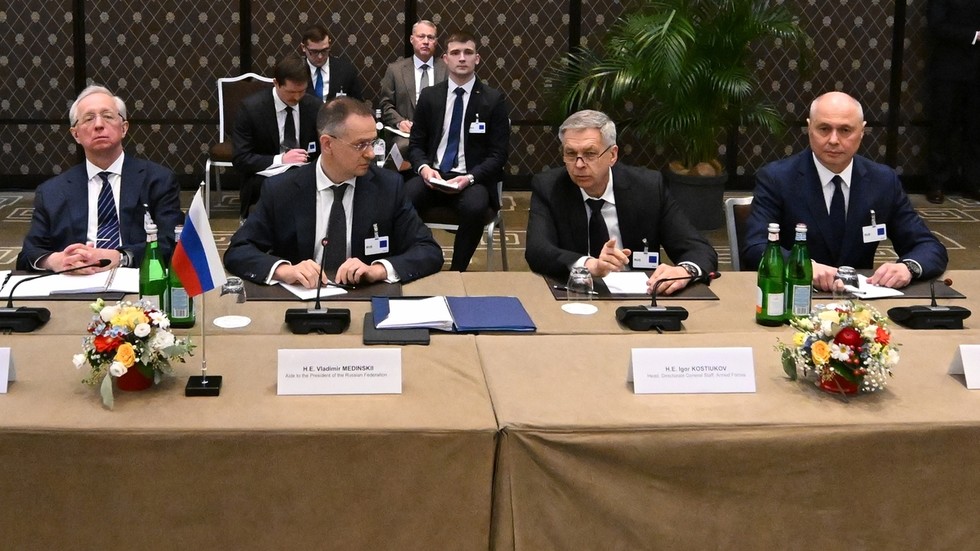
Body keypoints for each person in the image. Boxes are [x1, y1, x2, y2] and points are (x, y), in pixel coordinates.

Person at [224, 97, 443, 287]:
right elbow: (238, 251)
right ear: (327, 144)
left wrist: (377, 270)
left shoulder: (388, 186)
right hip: (301, 298)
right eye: (360, 145)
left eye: (373, 142)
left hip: (367, 297)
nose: (370, 153)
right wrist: (285, 270)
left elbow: (428, 251)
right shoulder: (281, 189)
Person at [743, 91, 948, 290]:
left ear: (862, 131)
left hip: (859, 301)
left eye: (845, 130)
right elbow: (755, 246)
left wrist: (908, 268)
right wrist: (802, 266)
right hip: (796, 294)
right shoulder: (777, 178)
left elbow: (929, 247)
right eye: (824, 129)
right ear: (809, 128)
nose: (833, 140)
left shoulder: (883, 181)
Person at [525, 110, 718, 295]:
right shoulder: (549, 187)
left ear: (613, 155)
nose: (579, 164)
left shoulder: (648, 188)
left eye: (590, 154)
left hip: (641, 295)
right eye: (571, 154)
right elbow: (537, 251)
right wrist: (589, 265)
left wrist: (684, 271)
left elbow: (698, 248)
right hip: (576, 294)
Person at [17, 85, 181, 273]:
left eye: (108, 116)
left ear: (124, 128)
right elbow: (28, 254)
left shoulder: (158, 180)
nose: (99, 125)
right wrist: (56, 261)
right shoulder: (51, 191)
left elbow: (172, 242)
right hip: (76, 281)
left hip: (134, 278)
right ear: (76, 134)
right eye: (88, 118)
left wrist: (119, 257)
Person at [406, 31, 510, 271]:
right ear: (445, 59)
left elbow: (498, 155)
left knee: (475, 207)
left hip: (472, 179)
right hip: (433, 176)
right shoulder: (430, 97)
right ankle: (417, 260)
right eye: (455, 53)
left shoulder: (493, 100)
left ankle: (457, 271)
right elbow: (416, 145)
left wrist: (470, 177)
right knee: (402, 198)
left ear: (477, 58)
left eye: (468, 52)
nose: (462, 58)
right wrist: (424, 169)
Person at [232, 55, 322, 219]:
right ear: (276, 83)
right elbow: (241, 159)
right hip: (265, 177)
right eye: (291, 92)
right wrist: (281, 160)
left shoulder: (314, 107)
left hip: (305, 176)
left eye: (301, 91)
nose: (297, 97)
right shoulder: (251, 109)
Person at [924, 0, 980, 204]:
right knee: (943, 127)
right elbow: (937, 25)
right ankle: (937, 183)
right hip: (949, 69)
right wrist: (975, 35)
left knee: (975, 130)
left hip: (977, 71)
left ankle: (973, 183)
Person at [379, 20, 448, 159]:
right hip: (406, 135)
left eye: (430, 37)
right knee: (400, 149)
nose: (426, 41)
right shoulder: (395, 70)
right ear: (412, 39)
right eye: (421, 36)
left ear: (436, 42)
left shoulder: (447, 69)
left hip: (440, 133)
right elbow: (386, 105)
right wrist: (399, 122)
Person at [300, 24, 364, 102]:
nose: (320, 56)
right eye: (314, 52)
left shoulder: (346, 71)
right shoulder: (295, 71)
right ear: (303, 47)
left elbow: (357, 105)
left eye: (324, 51)